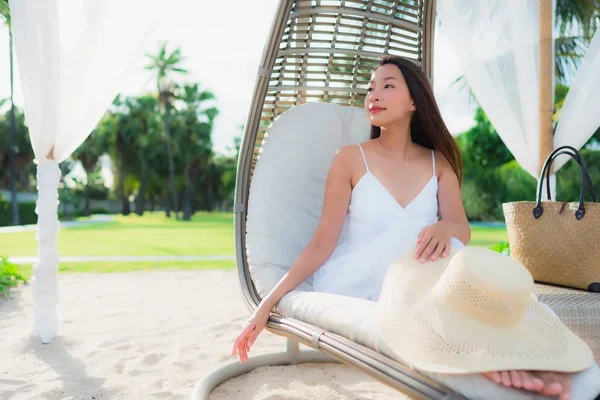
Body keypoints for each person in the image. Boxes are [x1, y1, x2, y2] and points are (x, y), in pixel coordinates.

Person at [231, 55, 572, 399]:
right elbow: (322, 242)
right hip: (363, 277)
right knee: (435, 279)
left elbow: (461, 230)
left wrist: (445, 229)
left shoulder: (439, 163)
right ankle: (489, 360)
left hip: (421, 275)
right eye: (370, 88)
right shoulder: (349, 158)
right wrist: (266, 305)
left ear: (413, 102)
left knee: (461, 270)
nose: (373, 95)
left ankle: (526, 353)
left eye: (387, 86)